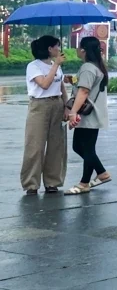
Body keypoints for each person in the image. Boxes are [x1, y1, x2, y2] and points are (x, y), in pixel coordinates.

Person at [21, 35, 68, 195]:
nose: (59, 50)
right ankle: (31, 184)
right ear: (49, 49)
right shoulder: (34, 66)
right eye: (57, 46)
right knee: (35, 145)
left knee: (56, 145)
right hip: (39, 106)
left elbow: (61, 86)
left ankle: (52, 182)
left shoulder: (57, 66)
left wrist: (67, 106)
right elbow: (45, 84)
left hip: (57, 104)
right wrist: (56, 65)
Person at [64, 36, 112, 195]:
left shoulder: (88, 67)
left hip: (88, 115)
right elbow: (85, 88)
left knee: (85, 148)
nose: (77, 50)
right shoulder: (97, 66)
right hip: (94, 113)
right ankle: (97, 175)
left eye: (79, 47)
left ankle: (87, 181)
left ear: (83, 49)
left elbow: (84, 92)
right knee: (81, 146)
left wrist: (72, 112)